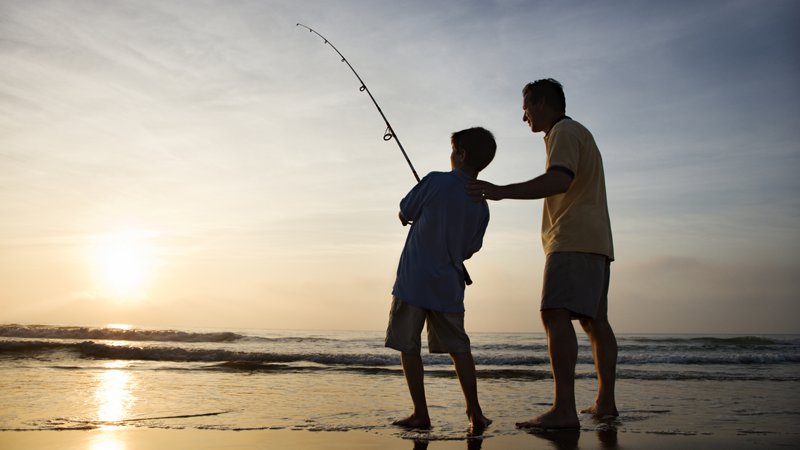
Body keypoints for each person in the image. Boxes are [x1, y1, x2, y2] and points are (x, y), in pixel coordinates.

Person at [467, 79, 618, 429]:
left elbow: (558, 181)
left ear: (543, 104)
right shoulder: (580, 133)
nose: (524, 118)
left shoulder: (564, 131)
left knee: (554, 313)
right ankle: (605, 403)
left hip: (572, 238)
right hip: (596, 241)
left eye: (526, 108)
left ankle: (564, 409)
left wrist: (501, 191)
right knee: (594, 322)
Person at [385, 127, 497, 431]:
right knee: (459, 348)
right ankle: (475, 412)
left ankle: (421, 413)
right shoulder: (482, 205)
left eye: (453, 151)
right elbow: (470, 248)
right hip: (449, 284)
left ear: (460, 155)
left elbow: (404, 210)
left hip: (413, 281)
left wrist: (406, 216)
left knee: (409, 347)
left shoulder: (435, 181)